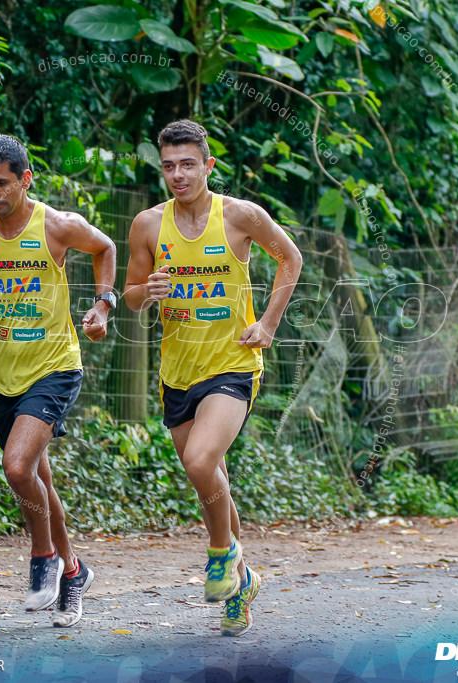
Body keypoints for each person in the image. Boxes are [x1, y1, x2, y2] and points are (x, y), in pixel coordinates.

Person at [124, 119, 302, 636]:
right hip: (177, 371)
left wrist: (268, 324)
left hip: (232, 363)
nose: (177, 175)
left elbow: (290, 257)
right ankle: (241, 586)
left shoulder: (242, 216)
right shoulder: (148, 225)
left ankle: (223, 556)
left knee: (203, 460)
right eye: (168, 167)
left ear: (208, 165)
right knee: (210, 477)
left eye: (187, 165)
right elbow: (132, 293)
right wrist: (145, 291)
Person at [0, 134, 117, 627]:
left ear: (25, 180)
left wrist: (104, 304)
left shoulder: (57, 226)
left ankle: (44, 559)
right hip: (3, 374)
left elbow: (106, 248)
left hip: (55, 366)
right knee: (38, 479)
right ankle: (75, 573)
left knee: (17, 469)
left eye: (2, 183)